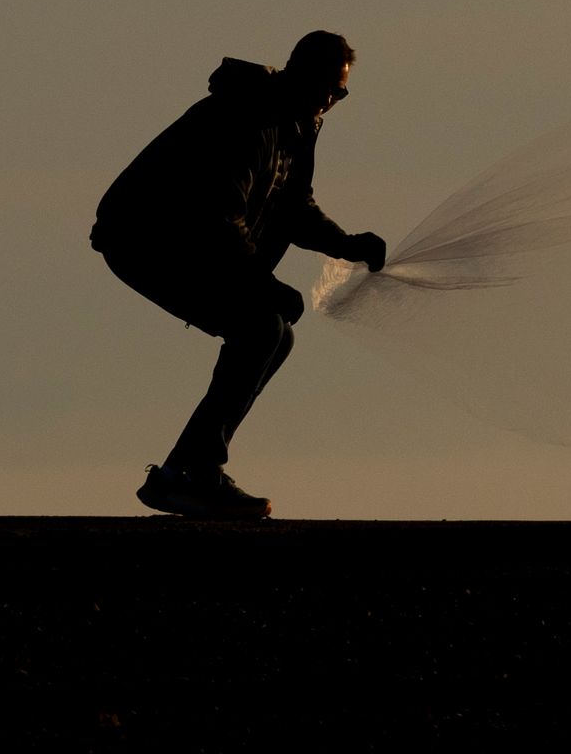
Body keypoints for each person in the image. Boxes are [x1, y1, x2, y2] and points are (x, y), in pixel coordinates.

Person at [92, 31, 387, 521]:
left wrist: (348, 246)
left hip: (189, 244)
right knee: (262, 326)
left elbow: (292, 208)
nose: (334, 102)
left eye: (341, 93)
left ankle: (184, 473)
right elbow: (216, 216)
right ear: (302, 75)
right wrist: (263, 284)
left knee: (275, 334)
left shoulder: (296, 124)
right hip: (145, 238)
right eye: (330, 89)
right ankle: (195, 473)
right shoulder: (248, 117)